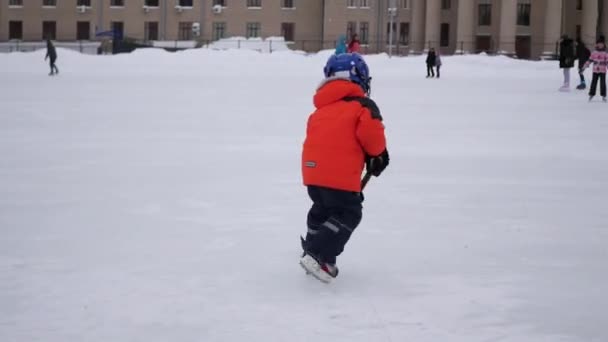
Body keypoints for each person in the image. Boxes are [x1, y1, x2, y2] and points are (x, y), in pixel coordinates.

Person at [300, 53, 389, 283]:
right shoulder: (362, 106)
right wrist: (378, 155)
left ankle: (311, 245)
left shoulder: (321, 108)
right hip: (338, 176)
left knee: (322, 208)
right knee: (349, 212)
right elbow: (372, 136)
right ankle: (318, 253)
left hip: (312, 172)